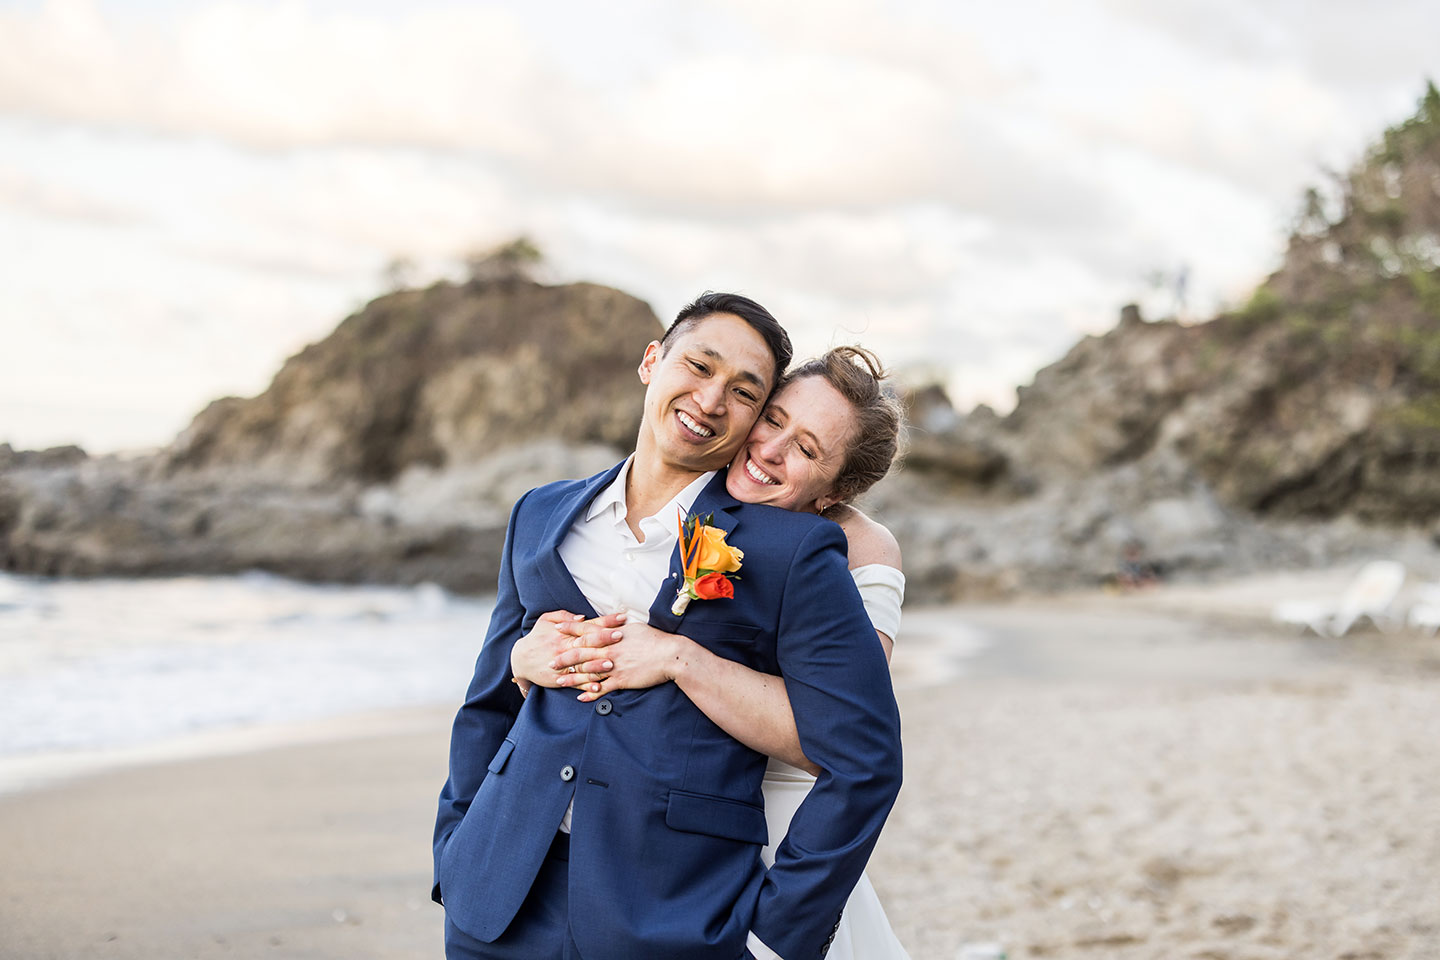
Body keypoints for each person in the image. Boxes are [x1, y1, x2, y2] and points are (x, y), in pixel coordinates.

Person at [433, 294, 903, 960]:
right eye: (699, 366)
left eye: (743, 392)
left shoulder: (789, 548)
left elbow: (864, 759)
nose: (713, 401)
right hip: (498, 899)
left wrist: (774, 940)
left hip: (668, 915)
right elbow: (485, 705)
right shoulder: (538, 515)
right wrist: (455, 850)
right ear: (652, 360)